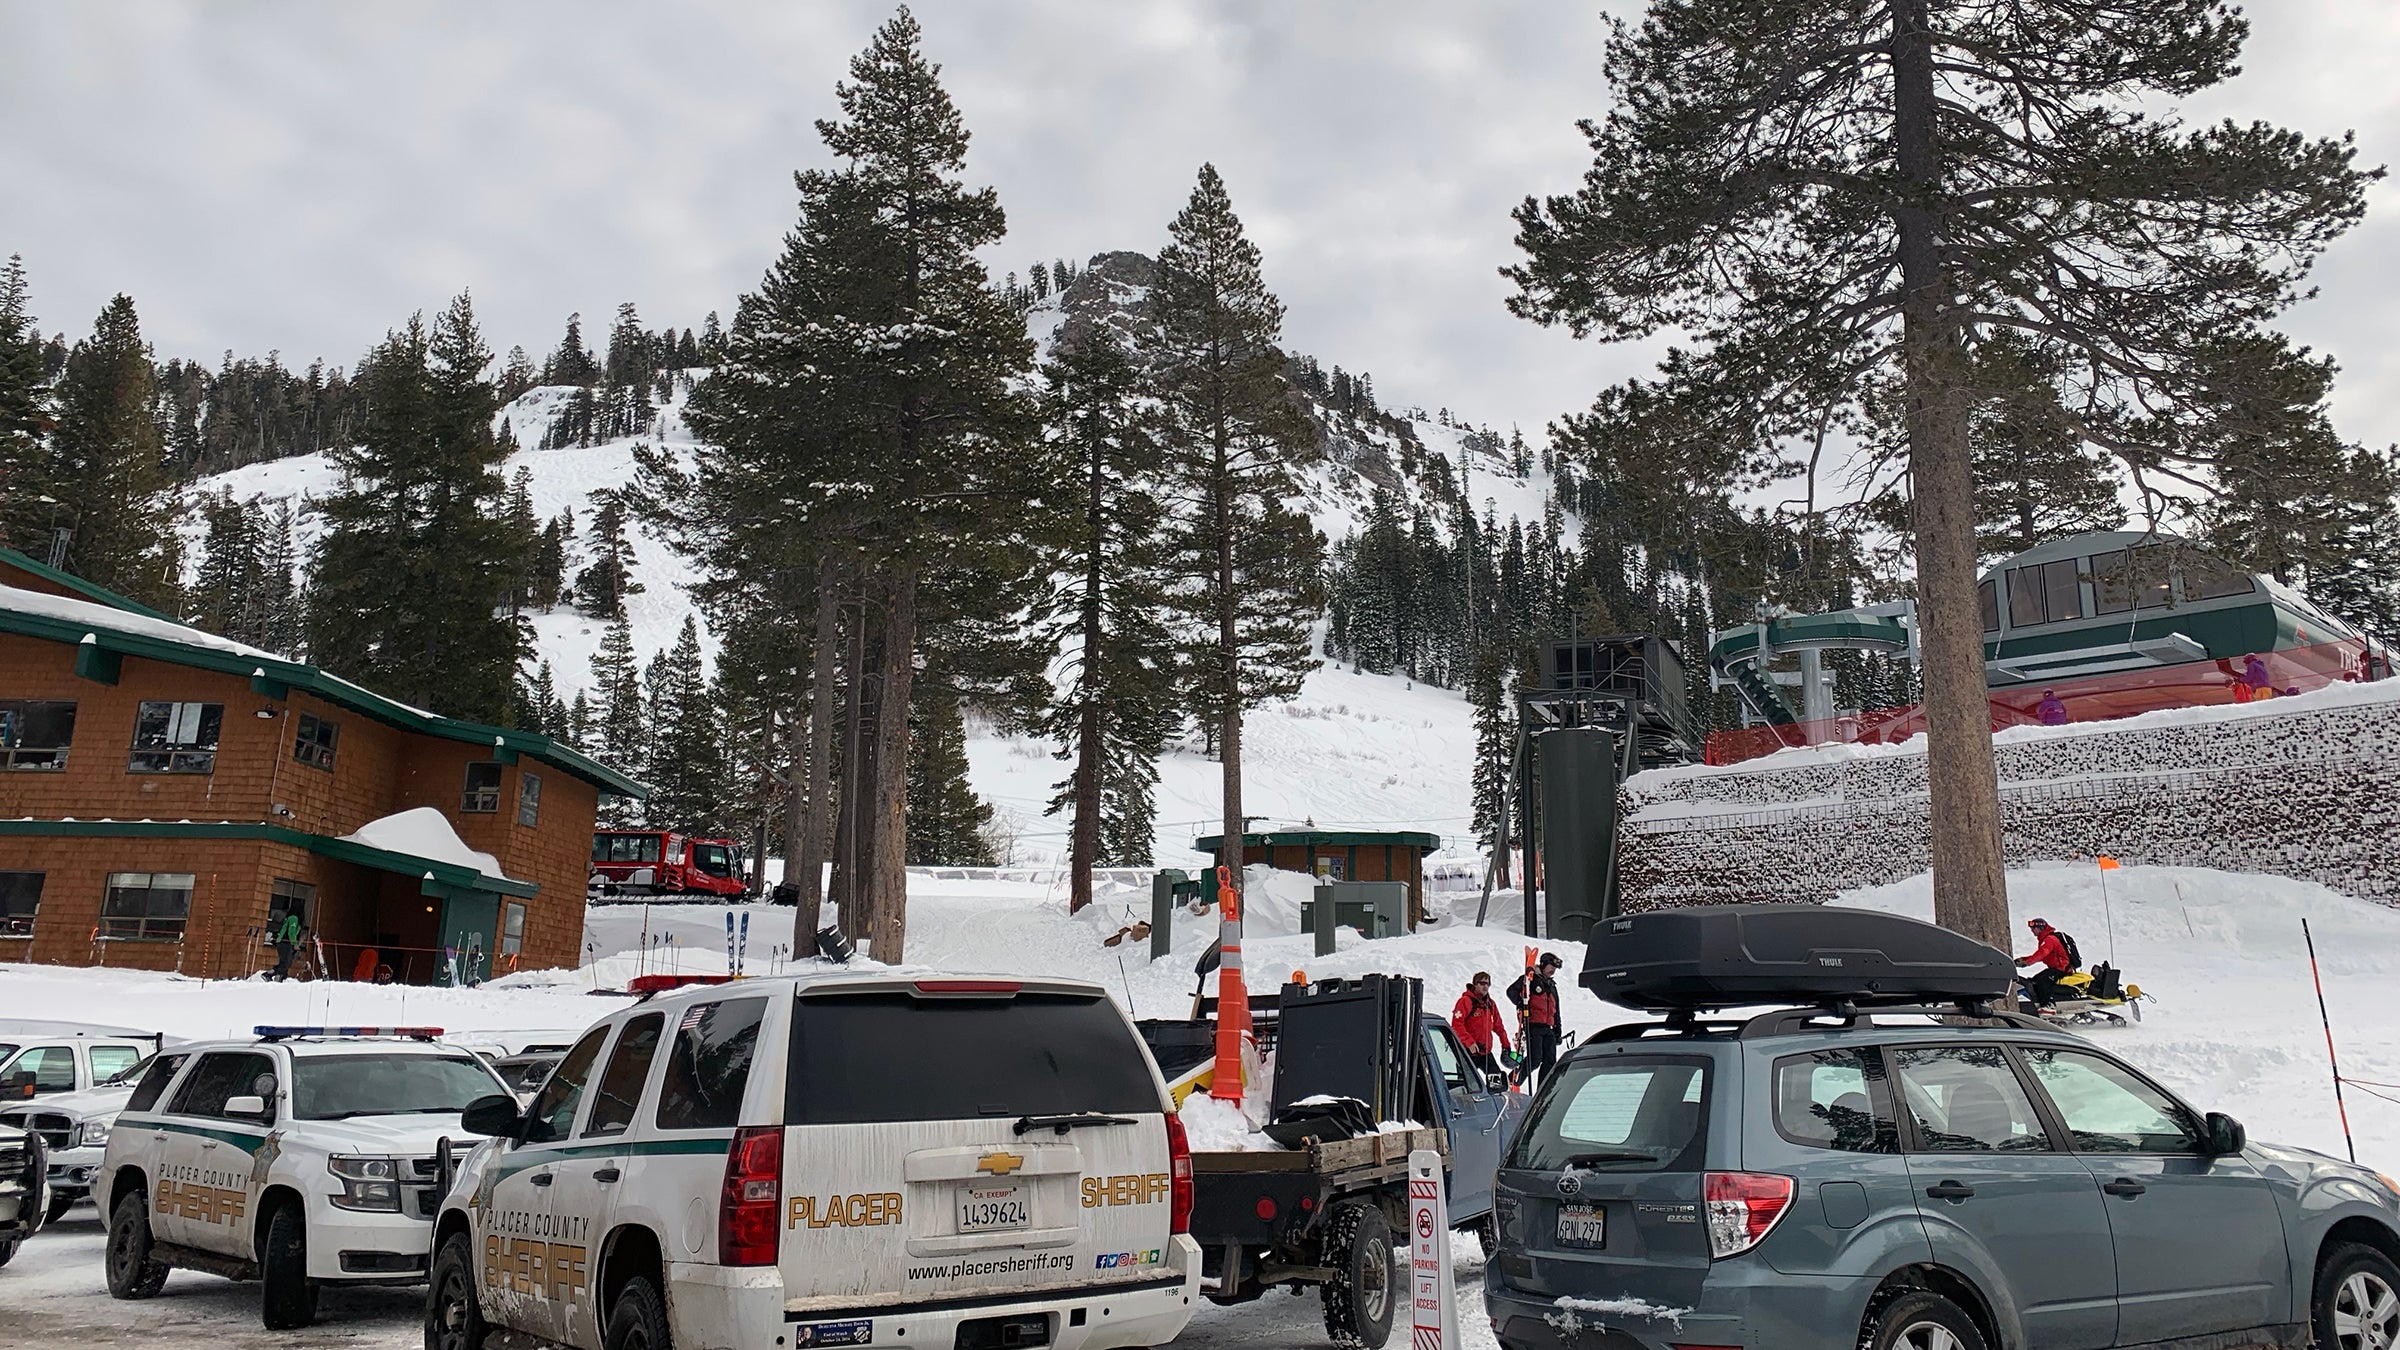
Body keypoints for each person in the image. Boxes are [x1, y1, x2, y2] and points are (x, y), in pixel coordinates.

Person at [1507, 952, 1567, 1090]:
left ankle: (1543, 1091)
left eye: (1555, 968)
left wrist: (1558, 1030)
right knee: (1535, 1059)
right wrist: (1521, 1004)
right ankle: (1513, 1079)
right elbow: (1511, 991)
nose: (1553, 970)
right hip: (1533, 1026)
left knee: (1550, 1061)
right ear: (1544, 964)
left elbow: (1556, 1010)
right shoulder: (1530, 979)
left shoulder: (1552, 986)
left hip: (1548, 1028)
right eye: (1551, 966)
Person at [1452, 972, 1513, 1079]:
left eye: (1487, 984)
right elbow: (1457, 1025)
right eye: (1482, 983)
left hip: (1485, 1052)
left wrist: (1506, 1045)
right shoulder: (1465, 1001)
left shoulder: (1490, 1004)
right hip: (1467, 1052)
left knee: (1496, 1082)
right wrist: (1470, 1043)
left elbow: (1498, 1026)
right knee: (1467, 1084)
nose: (1485, 986)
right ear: (1475, 984)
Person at [2014, 917, 2075, 1007]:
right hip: (2055, 969)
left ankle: (2048, 1005)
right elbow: (2041, 956)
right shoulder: (2045, 939)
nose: (2032, 930)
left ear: (2040, 928)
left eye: (2033, 928)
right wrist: (2022, 960)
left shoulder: (2050, 939)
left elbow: (2042, 953)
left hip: (2061, 969)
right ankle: (2036, 1003)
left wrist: (2027, 963)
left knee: (2043, 982)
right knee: (2034, 981)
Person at [270, 910, 303, 980]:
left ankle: (281, 977)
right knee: (285, 962)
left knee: (286, 962)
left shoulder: (290, 918)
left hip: (284, 942)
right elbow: (291, 932)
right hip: (284, 942)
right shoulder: (294, 918)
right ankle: (269, 974)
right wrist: (294, 944)